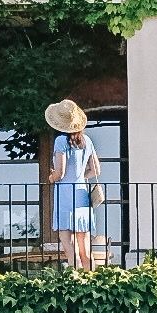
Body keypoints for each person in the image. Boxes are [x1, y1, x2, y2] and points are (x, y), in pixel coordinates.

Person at [45, 99, 100, 271]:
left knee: (70, 248)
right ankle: (92, 282)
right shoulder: (87, 141)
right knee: (85, 249)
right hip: (82, 193)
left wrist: (51, 177)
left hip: (65, 194)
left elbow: (60, 172)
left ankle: (75, 282)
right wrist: (80, 176)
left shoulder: (61, 141)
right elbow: (96, 170)